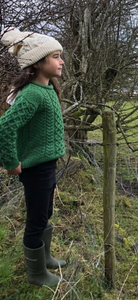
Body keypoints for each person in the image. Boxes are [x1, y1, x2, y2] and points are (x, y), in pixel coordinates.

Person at [0, 28, 66, 287]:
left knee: (45, 211)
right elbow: (5, 128)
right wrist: (11, 162)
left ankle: (45, 257)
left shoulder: (47, 89)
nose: (62, 62)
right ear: (38, 62)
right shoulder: (32, 94)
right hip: (35, 168)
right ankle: (36, 275)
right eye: (56, 57)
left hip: (47, 165)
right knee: (36, 219)